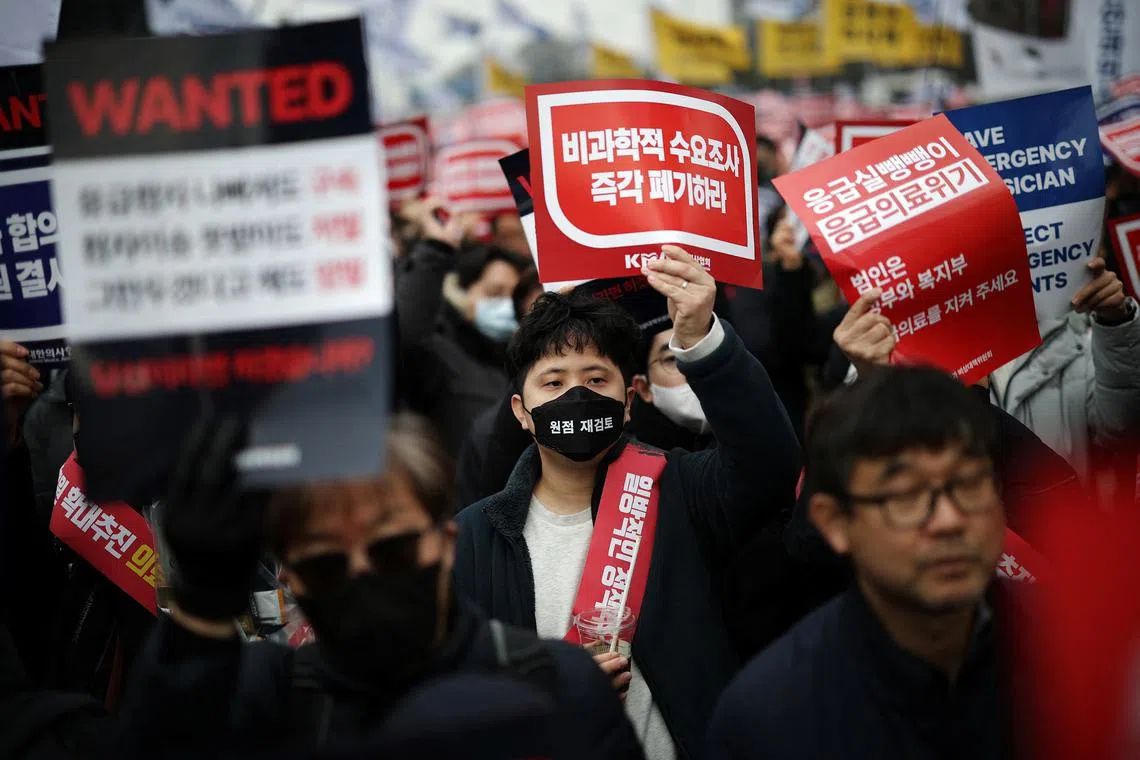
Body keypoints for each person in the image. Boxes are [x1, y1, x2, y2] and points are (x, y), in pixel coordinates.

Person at [117, 412, 642, 757]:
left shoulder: (560, 686)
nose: (363, 572)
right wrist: (202, 608)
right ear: (292, 579)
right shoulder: (263, 698)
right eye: (327, 563)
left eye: (392, 548)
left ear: (446, 543)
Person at [455, 246, 802, 760]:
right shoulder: (476, 538)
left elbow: (770, 461)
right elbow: (458, 691)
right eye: (553, 382)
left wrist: (702, 341)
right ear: (522, 412)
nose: (576, 395)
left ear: (627, 398)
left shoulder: (681, 488)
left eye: (596, 380)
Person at [709, 366, 1023, 760]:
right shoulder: (766, 717)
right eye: (905, 497)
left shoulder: (1079, 659)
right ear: (835, 522)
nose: (949, 521)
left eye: (969, 485)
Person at [396, 199, 530, 454]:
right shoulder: (440, 355)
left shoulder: (533, 361)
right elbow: (408, 333)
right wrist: (436, 249)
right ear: (464, 295)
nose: (506, 305)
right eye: (494, 292)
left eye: (513, 297)